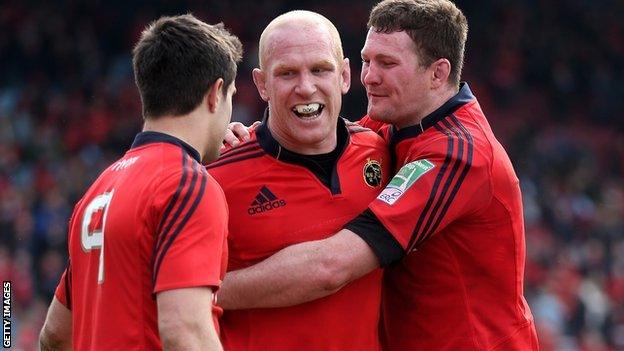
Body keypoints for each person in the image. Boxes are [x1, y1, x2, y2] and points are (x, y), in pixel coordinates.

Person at [218, 1, 539, 350]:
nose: (369, 76)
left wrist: (197, 292)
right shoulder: (393, 124)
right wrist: (250, 137)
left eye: (387, 64)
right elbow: (320, 129)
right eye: (367, 60)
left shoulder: (459, 153)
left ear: (438, 73)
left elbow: (332, 267)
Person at [38, 14, 242, 351]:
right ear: (215, 94)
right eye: (231, 95)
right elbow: (185, 331)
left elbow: (54, 336)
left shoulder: (97, 191)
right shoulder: (186, 184)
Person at [206, 10, 390, 351]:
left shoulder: (380, 152)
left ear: (346, 76)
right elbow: (171, 295)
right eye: (287, 73)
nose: (306, 88)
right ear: (262, 84)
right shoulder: (216, 177)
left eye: (320, 69)